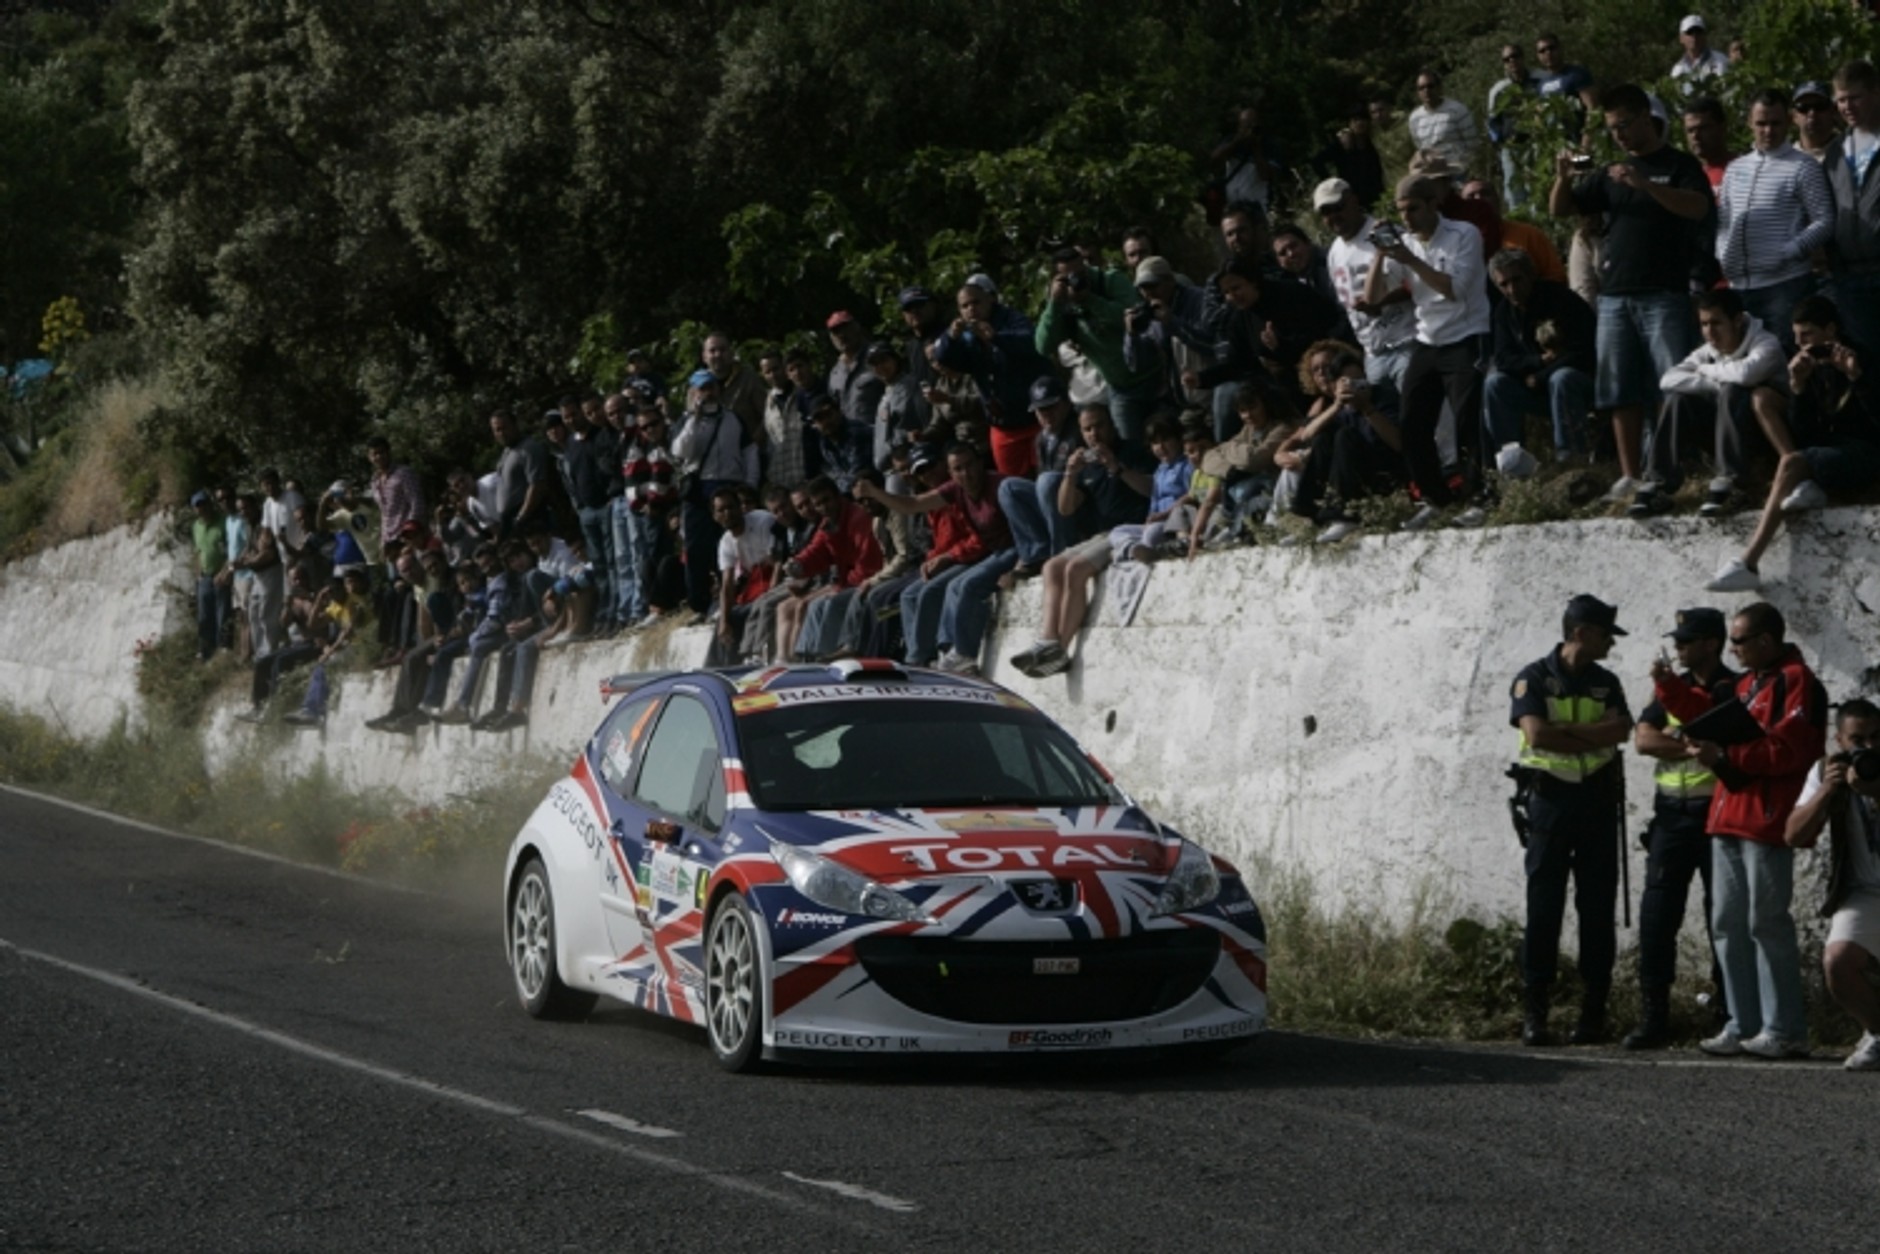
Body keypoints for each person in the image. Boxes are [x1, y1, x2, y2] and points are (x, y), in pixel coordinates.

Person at [1653, 602, 1825, 1058]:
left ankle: (1784, 1029)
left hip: (1766, 820)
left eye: (1739, 641)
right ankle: (1743, 1023)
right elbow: (1707, 714)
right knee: (1727, 924)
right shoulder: (1747, 684)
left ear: (1766, 640)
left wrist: (1726, 758)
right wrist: (1668, 686)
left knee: (1765, 923)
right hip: (1726, 815)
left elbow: (1791, 750)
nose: (1733, 649)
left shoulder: (1797, 681)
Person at [1551, 84, 1713, 503]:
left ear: (1645, 118)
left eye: (1624, 125)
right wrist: (1563, 177)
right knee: (1618, 387)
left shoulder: (1678, 164)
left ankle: (1669, 468)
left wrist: (1647, 186)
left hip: (1664, 292)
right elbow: (1560, 209)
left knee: (1670, 385)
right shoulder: (1611, 171)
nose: (1619, 135)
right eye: (1612, 129)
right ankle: (1630, 474)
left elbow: (1699, 207)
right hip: (1615, 294)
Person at [1508, 595, 1634, 1046]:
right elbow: (1536, 734)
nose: (1610, 644)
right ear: (1581, 633)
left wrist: (1568, 735)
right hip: (1551, 803)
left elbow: (1622, 731)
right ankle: (1535, 1015)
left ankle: (1592, 1015)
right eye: (1605, 635)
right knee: (1544, 909)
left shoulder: (1606, 681)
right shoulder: (1533, 677)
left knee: (1597, 911)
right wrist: (1591, 737)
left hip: (1597, 802)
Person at [1706, 295, 1879, 591]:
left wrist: (1856, 377)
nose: (1801, 344)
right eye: (1796, 336)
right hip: (1826, 451)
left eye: (1808, 334)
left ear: (1831, 330)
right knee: (1790, 452)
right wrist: (1798, 387)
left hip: (1865, 452)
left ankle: (1749, 561)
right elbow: (1804, 433)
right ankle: (1805, 485)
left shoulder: (1864, 358)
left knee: (1792, 461)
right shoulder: (1809, 365)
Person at [1623, 607, 1738, 1049]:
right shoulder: (1672, 688)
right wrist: (1689, 746)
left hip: (1716, 816)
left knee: (1722, 918)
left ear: (1712, 643)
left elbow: (1727, 741)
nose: (1678, 648)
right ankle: (1654, 1016)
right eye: (1677, 641)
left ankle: (1728, 1013)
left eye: (1687, 641)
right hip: (1671, 815)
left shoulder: (1732, 688)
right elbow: (1643, 739)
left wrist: (1673, 741)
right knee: (1657, 918)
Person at [1367, 174, 1491, 529]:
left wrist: (1411, 260)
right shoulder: (1404, 243)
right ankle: (1436, 497)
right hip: (1428, 339)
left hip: (1465, 334)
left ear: (1434, 204)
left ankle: (1479, 495)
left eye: (1414, 209)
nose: (1407, 218)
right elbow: (1372, 299)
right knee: (1413, 422)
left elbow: (1454, 289)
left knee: (1467, 419)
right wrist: (1380, 255)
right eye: (1401, 211)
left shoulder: (1463, 234)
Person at [1006, 408, 1151, 679]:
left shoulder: (1131, 451)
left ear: (1112, 425)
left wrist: (1117, 467)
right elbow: (1065, 509)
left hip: (1131, 529)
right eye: (1087, 429)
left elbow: (1150, 489)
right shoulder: (1087, 463)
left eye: (1099, 426)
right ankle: (1047, 640)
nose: (1094, 434)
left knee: (1075, 570)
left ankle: (1061, 650)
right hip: (1102, 534)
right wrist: (1070, 475)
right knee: (1051, 567)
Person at [856, 442, 1015, 675]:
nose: (927, 474)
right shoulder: (948, 492)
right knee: (905, 595)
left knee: (940, 589)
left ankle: (943, 653)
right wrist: (934, 558)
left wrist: (948, 557)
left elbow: (978, 540)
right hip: (959, 557)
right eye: (920, 471)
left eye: (930, 467)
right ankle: (918, 658)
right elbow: (913, 506)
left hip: (977, 556)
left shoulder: (993, 486)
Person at [1628, 288, 1787, 520]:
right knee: (1679, 399)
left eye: (1716, 323)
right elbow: (1668, 380)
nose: (1710, 332)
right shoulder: (1708, 351)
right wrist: (1714, 383)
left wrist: (1704, 370)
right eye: (1704, 324)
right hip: (1727, 436)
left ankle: (1734, 483)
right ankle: (1659, 483)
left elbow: (1745, 375)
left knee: (1733, 390)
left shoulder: (1766, 344)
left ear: (1737, 321)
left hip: (1767, 440)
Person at [1784, 698, 1880, 1070]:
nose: (1868, 747)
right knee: (1839, 961)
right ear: (1839, 740)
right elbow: (1793, 835)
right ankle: (1877, 1032)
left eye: (1876, 737)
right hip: (1864, 891)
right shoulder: (1827, 770)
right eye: (1858, 740)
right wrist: (1826, 791)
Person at [1716, 90, 1832, 351]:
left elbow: (1824, 220)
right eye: (1761, 123)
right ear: (1749, 123)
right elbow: (1724, 219)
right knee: (1740, 362)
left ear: (1789, 121)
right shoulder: (1735, 168)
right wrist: (1722, 254)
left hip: (1784, 285)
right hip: (1739, 287)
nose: (1768, 131)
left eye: (1775, 123)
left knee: (1783, 360)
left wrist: (1790, 251)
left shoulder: (1804, 166)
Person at [1034, 244, 1161, 440]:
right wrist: (1054, 304)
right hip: (1121, 389)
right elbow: (1043, 346)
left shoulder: (1110, 280)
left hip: (1154, 377)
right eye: (1069, 277)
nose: (1077, 280)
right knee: (1130, 446)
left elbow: (1136, 318)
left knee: (1167, 436)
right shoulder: (1062, 305)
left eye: (1080, 273)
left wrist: (1090, 300)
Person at [1484, 247, 1596, 467]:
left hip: (1580, 385)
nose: (1512, 289)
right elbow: (1503, 359)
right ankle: (1511, 463)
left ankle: (1572, 460)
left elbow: (1584, 350)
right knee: (1495, 383)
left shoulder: (1561, 299)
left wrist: (1542, 375)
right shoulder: (1504, 312)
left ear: (1531, 275)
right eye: (1504, 284)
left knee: (1562, 378)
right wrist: (1538, 363)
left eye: (1517, 280)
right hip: (1534, 385)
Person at [1283, 345, 1404, 543]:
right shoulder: (1340, 408)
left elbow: (1398, 444)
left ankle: (1344, 515)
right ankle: (1307, 515)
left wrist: (1367, 409)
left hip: (1385, 474)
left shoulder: (1383, 397)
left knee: (1345, 436)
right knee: (1323, 439)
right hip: (1355, 476)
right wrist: (1338, 404)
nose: (1355, 387)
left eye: (1359, 381)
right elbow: (1307, 435)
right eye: (1348, 383)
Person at [1316, 178, 1417, 396]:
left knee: (1421, 412)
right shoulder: (1334, 252)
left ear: (1353, 200)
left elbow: (1417, 284)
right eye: (1326, 212)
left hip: (1407, 341)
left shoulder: (1385, 233)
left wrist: (1382, 301)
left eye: (1338, 207)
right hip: (1373, 354)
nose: (1333, 216)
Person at [672, 368, 760, 615]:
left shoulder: (733, 418)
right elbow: (680, 451)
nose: (708, 393)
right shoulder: (686, 421)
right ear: (693, 392)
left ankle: (735, 596)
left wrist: (750, 484)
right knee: (697, 549)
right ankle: (699, 604)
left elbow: (749, 451)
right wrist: (694, 418)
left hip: (729, 484)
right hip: (699, 489)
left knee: (730, 543)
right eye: (702, 389)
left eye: (711, 387)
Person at [1823, 60, 1880, 354]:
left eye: (1855, 97)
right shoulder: (1835, 151)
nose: (1847, 107)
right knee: (1865, 364)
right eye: (1841, 100)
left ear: (1875, 93)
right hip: (1850, 278)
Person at [1487, 43, 1542, 206]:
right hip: (1511, 148)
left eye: (1515, 56)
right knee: (1514, 192)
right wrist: (1500, 142)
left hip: (1537, 144)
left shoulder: (1540, 79)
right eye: (1506, 59)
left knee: (1538, 190)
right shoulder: (1498, 90)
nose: (1512, 61)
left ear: (1523, 57)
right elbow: (1492, 121)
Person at [1406, 70, 1480, 175]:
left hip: (1458, 171)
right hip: (1432, 174)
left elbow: (1472, 145)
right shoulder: (1414, 118)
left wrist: (1467, 169)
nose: (1426, 90)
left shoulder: (1457, 110)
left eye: (1430, 86)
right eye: (1421, 88)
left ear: (1439, 88)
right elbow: (1420, 147)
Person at [189, 490, 227, 661]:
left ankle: (223, 649)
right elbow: (197, 551)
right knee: (204, 616)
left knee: (222, 613)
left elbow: (230, 550)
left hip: (221, 574)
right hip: (204, 577)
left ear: (210, 504)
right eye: (198, 506)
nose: (202, 508)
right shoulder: (196, 527)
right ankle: (205, 650)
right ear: (194, 509)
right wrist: (198, 574)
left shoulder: (222, 522)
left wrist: (224, 571)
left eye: (204, 504)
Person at [1791, 80, 1842, 165]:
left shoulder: (1849, 152)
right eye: (1803, 107)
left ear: (1833, 111)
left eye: (1820, 106)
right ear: (1794, 116)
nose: (1812, 113)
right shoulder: (1785, 159)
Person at [1670, 14, 1729, 83]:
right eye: (1690, 32)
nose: (1694, 36)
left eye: (1698, 31)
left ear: (1705, 35)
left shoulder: (1721, 61)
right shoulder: (1677, 70)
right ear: (1681, 38)